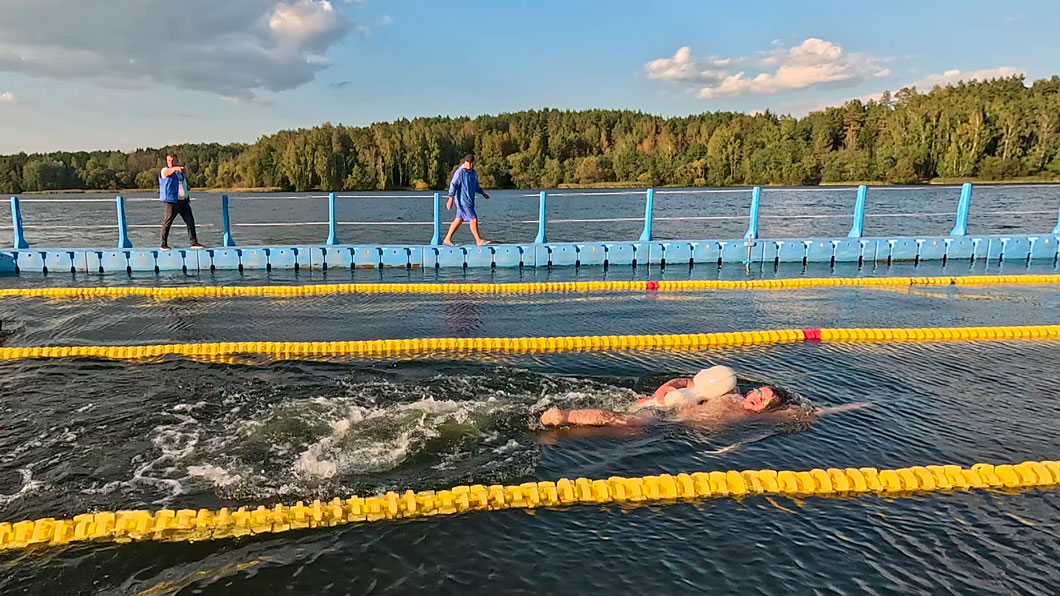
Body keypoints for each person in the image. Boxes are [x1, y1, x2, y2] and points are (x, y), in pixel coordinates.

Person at [539, 366, 866, 430]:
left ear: (769, 408)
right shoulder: (732, 394)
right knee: (621, 421)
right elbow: (692, 382)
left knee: (618, 416)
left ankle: (564, 414)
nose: (755, 396)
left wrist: (852, 406)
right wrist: (669, 385)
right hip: (666, 413)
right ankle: (561, 416)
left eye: (762, 398)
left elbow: (811, 412)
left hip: (674, 416)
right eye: (758, 392)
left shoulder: (759, 417)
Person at [442, 154, 490, 246]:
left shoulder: (473, 173)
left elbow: (475, 185)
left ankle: (447, 239)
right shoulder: (460, 172)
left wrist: (483, 193)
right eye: (468, 163)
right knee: (473, 219)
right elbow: (453, 184)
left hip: (470, 200)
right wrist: (450, 198)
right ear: (465, 162)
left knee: (459, 219)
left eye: (471, 163)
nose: (469, 165)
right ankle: (478, 240)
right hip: (463, 201)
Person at [159, 153, 204, 250]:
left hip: (183, 201)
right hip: (172, 202)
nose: (170, 162)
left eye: (172, 161)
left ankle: (194, 242)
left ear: (176, 161)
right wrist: (175, 168)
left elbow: (182, 182)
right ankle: (163, 244)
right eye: (169, 161)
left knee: (190, 221)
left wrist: (187, 187)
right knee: (167, 222)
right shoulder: (164, 170)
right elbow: (167, 173)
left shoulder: (180, 172)